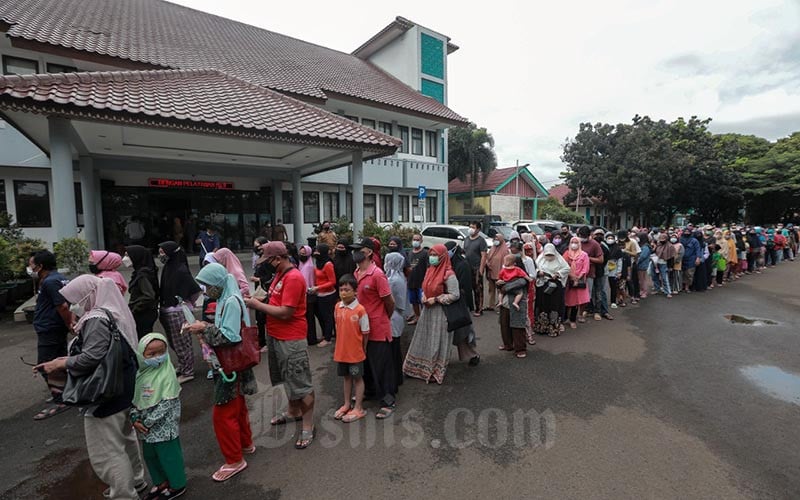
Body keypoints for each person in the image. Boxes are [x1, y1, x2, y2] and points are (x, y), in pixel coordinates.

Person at [36, 275, 145, 499]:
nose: (71, 305)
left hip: (104, 393)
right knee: (126, 438)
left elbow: (91, 357)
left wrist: (60, 362)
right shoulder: (112, 311)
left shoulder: (96, 319)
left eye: (74, 299)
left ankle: (124, 493)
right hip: (123, 386)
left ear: (88, 295)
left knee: (108, 450)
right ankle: (136, 481)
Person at [186, 263, 257, 481]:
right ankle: (245, 444)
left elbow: (230, 337)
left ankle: (234, 460)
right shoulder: (229, 298)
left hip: (229, 366)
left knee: (223, 413)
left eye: (207, 285)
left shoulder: (230, 302)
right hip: (233, 365)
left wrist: (203, 328)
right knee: (237, 407)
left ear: (217, 283)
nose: (206, 290)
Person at [244, 242, 316, 448]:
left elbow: (286, 312)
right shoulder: (279, 275)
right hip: (276, 336)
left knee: (301, 382)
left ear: (277, 259)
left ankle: (308, 425)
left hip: (291, 339)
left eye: (267, 261)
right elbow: (275, 299)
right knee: (286, 376)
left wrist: (258, 305)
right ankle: (294, 411)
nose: (264, 265)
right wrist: (258, 298)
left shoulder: (293, 277)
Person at [130, 333, 187, 499]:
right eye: (151, 354)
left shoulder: (167, 374)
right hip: (146, 429)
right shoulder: (141, 375)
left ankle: (177, 484)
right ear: (141, 354)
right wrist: (135, 418)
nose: (158, 358)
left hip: (163, 428)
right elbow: (136, 400)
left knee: (169, 456)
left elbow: (167, 403)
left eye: (161, 352)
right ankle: (161, 482)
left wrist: (146, 422)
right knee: (150, 456)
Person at [350, 238, 396, 417]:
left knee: (382, 365)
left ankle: (388, 400)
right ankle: (368, 391)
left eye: (358, 249)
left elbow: (389, 302)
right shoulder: (355, 273)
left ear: (368, 252)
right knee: (365, 362)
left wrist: (382, 317)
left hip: (377, 327)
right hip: (360, 327)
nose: (354, 253)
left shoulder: (377, 274)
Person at [403, 244, 460, 381]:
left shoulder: (448, 274)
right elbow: (425, 287)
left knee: (437, 341)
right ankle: (417, 367)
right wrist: (423, 296)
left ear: (443, 257)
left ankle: (434, 369)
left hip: (441, 312)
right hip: (427, 311)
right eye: (431, 255)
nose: (432, 258)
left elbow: (455, 295)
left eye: (435, 255)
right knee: (425, 339)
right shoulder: (430, 270)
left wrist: (436, 299)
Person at [29, 250, 73, 420]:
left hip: (51, 328)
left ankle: (61, 399)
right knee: (59, 361)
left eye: (32, 265)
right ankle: (65, 392)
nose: (30, 268)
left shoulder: (50, 282)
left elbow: (62, 306)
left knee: (46, 364)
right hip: (53, 327)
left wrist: (69, 323)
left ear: (40, 266)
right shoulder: (57, 278)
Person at [158, 241, 202, 384]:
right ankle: (183, 366)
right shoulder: (169, 267)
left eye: (163, 252)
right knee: (175, 343)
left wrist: (188, 303)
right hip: (168, 310)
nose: (160, 255)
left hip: (178, 312)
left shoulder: (180, 270)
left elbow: (195, 290)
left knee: (183, 343)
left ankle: (188, 371)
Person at [332, 274, 370, 423]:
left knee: (357, 378)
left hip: (356, 352)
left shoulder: (360, 310)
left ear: (355, 291)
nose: (343, 292)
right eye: (341, 289)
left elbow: (365, 333)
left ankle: (358, 407)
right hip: (341, 351)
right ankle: (347, 404)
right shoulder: (337, 306)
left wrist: (363, 349)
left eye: (347, 289)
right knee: (346, 377)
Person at [443, 241, 480, 365]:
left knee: (464, 330)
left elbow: (466, 287)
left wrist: (468, 305)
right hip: (447, 300)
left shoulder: (462, 264)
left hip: (460, 301)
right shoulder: (446, 264)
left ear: (454, 250)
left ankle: (472, 355)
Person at [496, 253, 530, 358]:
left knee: (518, 327)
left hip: (517, 304)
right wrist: (499, 283)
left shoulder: (521, 278)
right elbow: (500, 285)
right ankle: (508, 344)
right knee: (504, 325)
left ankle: (520, 349)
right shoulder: (504, 272)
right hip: (505, 304)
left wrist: (504, 285)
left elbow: (510, 286)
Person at [123, 245, 160, 339]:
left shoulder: (142, 275)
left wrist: (136, 308)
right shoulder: (141, 272)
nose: (125, 258)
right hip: (146, 312)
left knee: (142, 339)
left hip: (143, 314)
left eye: (128, 255)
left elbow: (149, 296)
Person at [533, 244, 570, 336]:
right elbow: (534, 268)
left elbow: (567, 268)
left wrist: (558, 273)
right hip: (542, 285)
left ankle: (553, 327)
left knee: (554, 306)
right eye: (547, 255)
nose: (549, 257)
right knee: (542, 305)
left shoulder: (560, 260)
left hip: (555, 287)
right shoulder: (540, 259)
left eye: (551, 255)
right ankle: (541, 327)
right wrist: (539, 272)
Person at [384, 252, 409, 387]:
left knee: (392, 351)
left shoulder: (392, 280)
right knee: (396, 350)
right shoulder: (400, 277)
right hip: (398, 316)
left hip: (393, 316)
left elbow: (391, 301)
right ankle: (397, 378)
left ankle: (393, 379)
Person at [311, 244, 337, 347]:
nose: (316, 253)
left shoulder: (328, 264)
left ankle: (328, 338)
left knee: (328, 317)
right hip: (319, 294)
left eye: (318, 251)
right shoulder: (318, 262)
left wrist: (318, 288)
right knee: (321, 315)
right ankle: (326, 334)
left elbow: (332, 281)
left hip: (328, 294)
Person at [563, 237, 590, 329]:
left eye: (576, 242)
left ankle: (573, 320)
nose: (574, 244)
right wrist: (571, 276)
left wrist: (577, 278)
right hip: (567, 280)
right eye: (572, 242)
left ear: (579, 244)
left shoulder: (584, 255)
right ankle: (565, 318)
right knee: (566, 301)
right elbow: (564, 266)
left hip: (579, 281)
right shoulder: (566, 254)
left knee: (575, 302)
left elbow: (585, 268)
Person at [251, 237, 271, 350]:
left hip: (265, 291)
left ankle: (265, 342)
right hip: (259, 290)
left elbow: (269, 277)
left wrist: (259, 280)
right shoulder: (259, 258)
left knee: (264, 316)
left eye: (258, 246)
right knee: (259, 318)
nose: (257, 248)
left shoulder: (268, 260)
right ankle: (261, 341)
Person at [296, 244, 318, 346]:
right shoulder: (301, 264)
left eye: (304, 253)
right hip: (303, 295)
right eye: (300, 253)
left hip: (308, 295)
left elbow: (306, 282)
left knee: (309, 318)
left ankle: (311, 338)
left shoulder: (308, 266)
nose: (302, 255)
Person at [406, 233, 428, 325]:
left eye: (417, 240)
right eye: (414, 239)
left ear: (421, 241)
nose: (415, 241)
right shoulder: (410, 253)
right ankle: (417, 317)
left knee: (423, 302)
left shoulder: (425, 253)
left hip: (421, 283)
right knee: (414, 302)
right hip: (411, 282)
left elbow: (428, 268)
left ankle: (425, 319)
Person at [484, 233, 509, 310]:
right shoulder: (493, 248)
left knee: (500, 290)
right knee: (491, 290)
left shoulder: (505, 250)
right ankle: (491, 305)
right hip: (491, 272)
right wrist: (487, 262)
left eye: (497, 239)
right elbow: (488, 257)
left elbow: (506, 263)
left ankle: (500, 305)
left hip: (500, 274)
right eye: (495, 238)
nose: (496, 240)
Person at [652, 233, 676, 298]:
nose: (662, 240)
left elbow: (672, 257)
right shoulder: (658, 245)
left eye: (663, 239)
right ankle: (657, 289)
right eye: (660, 239)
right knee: (654, 277)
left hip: (664, 263)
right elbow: (654, 252)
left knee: (665, 278)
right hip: (656, 262)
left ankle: (668, 292)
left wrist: (670, 266)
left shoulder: (670, 246)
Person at [605, 233, 623, 308]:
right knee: (603, 287)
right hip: (604, 269)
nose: (610, 240)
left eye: (611, 238)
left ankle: (613, 301)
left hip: (614, 270)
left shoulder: (617, 249)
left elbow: (620, 261)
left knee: (613, 287)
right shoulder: (604, 247)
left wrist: (619, 271)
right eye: (608, 238)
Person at [636, 233, 653, 298]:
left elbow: (642, 257)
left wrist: (636, 262)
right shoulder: (645, 246)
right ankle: (642, 291)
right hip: (643, 265)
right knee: (642, 279)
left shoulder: (645, 247)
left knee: (642, 280)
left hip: (642, 265)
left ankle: (644, 292)